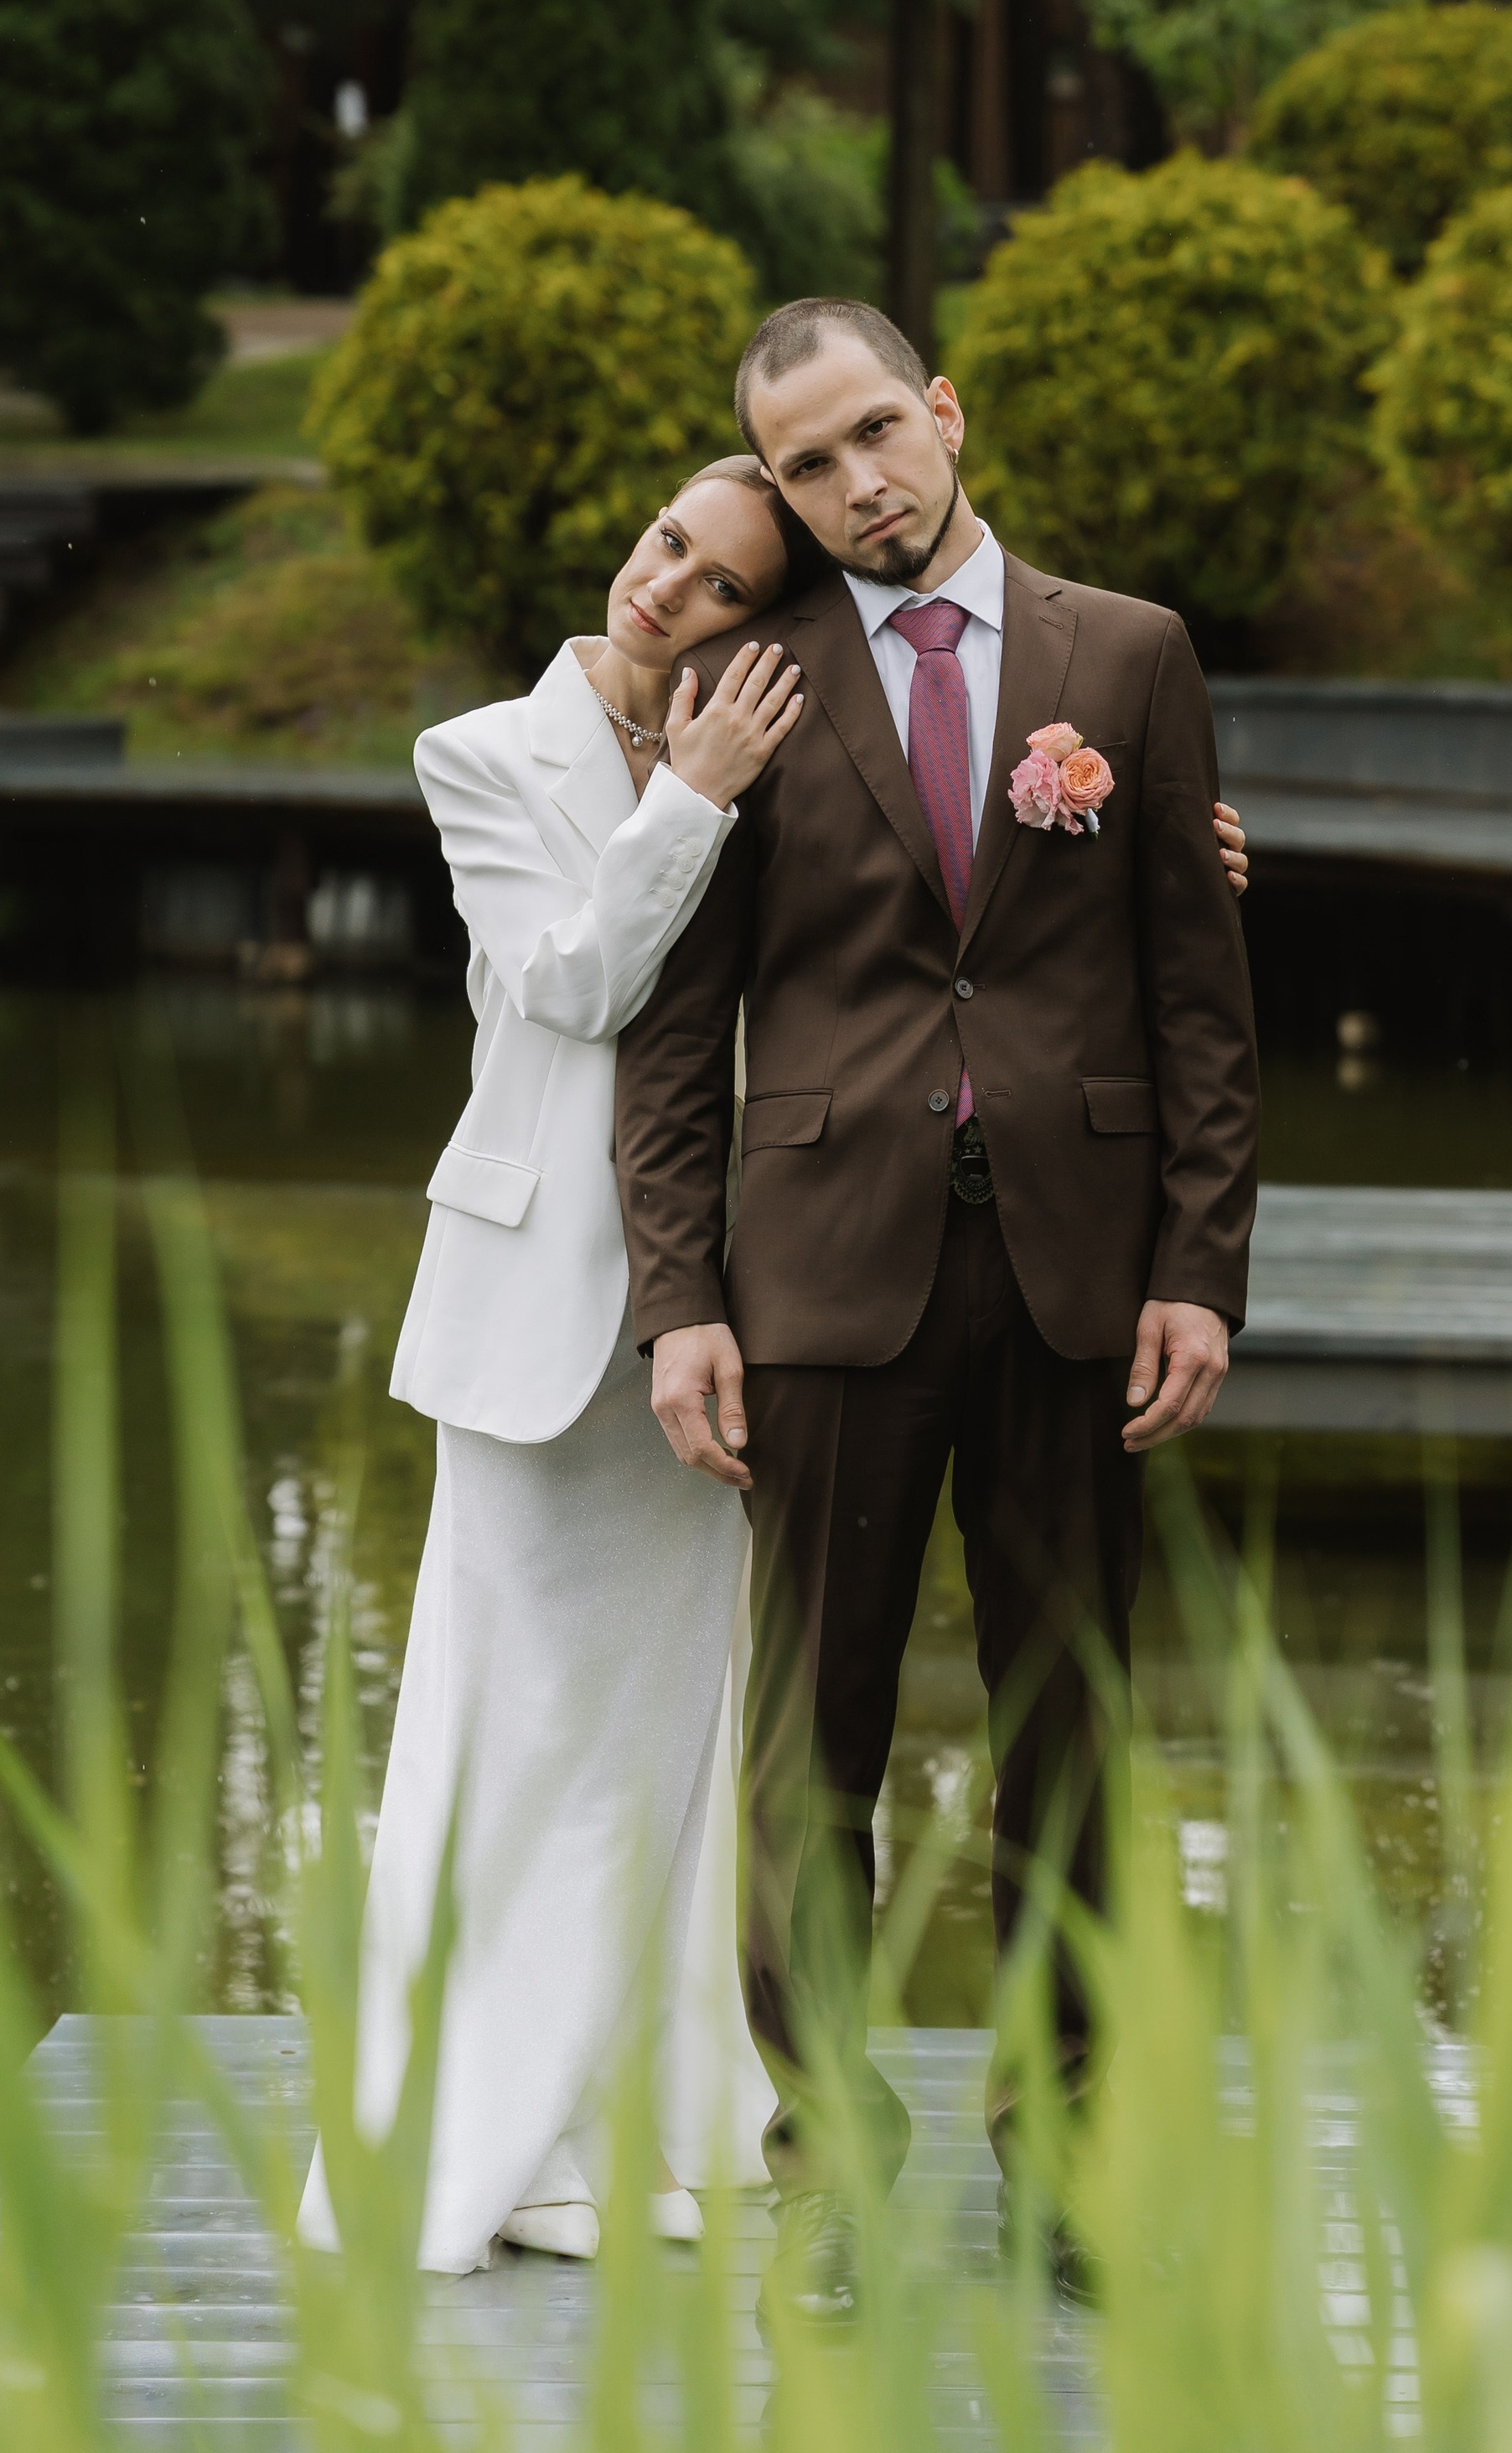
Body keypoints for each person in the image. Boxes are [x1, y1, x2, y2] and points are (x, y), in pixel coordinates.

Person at [298, 447, 1250, 2280]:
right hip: (572, 1314)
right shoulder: (495, 752)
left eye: (723, 579)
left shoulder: (806, 700)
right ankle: (464, 2129)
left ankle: (658, 2120)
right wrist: (696, 797)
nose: (672, 589)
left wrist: (1176, 852)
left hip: (785, 1290)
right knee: (515, 1735)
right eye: (667, 545)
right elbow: (586, 989)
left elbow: (928, 923)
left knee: (684, 1742)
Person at [613, 301, 1261, 2316]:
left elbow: (1194, 998)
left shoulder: (1125, 659)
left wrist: (1195, 1267)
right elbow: (673, 1022)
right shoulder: (751, 679)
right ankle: (825, 2171)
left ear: (943, 410)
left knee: (1072, 1736)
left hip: (1074, 1276)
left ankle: (1059, 2164)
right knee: (812, 1743)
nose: (855, 486)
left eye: (875, 434)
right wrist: (678, 1301)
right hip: (816, 1280)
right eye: (806, 469)